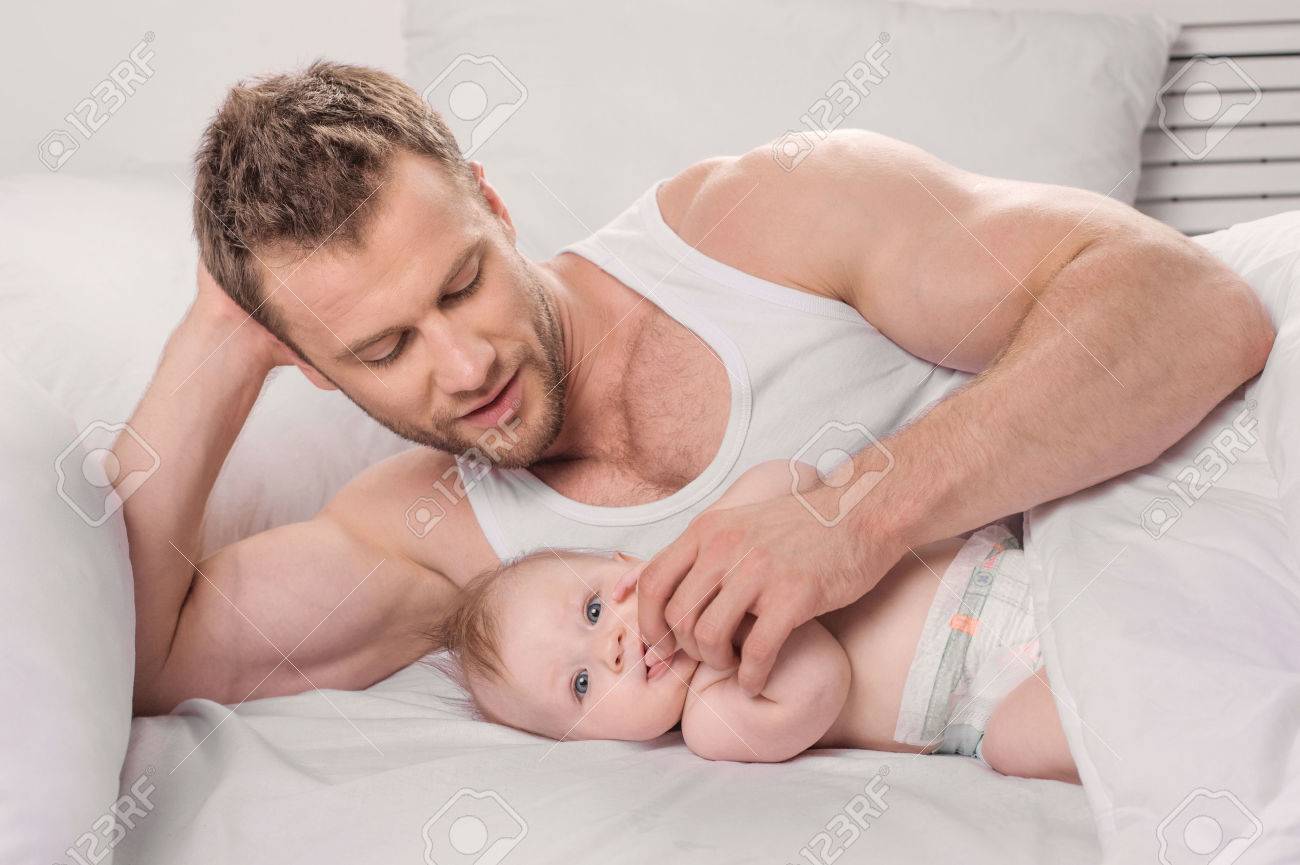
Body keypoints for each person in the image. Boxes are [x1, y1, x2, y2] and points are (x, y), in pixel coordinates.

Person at [118, 62, 1273, 716]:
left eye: (463, 283)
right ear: (309, 365)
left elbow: (1192, 308)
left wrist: (856, 515)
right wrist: (220, 342)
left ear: (494, 204)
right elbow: (151, 658)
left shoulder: (763, 222)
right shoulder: (428, 538)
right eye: (381, 351)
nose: (463, 366)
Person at [433, 460, 1078, 782]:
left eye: (595, 607)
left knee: (1077, 508)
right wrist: (730, 633)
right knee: (1030, 743)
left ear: (630, 561)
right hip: (985, 690)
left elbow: (793, 476)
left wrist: (727, 540)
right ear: (591, 743)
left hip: (1008, 563)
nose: (613, 645)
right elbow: (822, 682)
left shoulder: (716, 548)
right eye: (581, 685)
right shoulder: (714, 717)